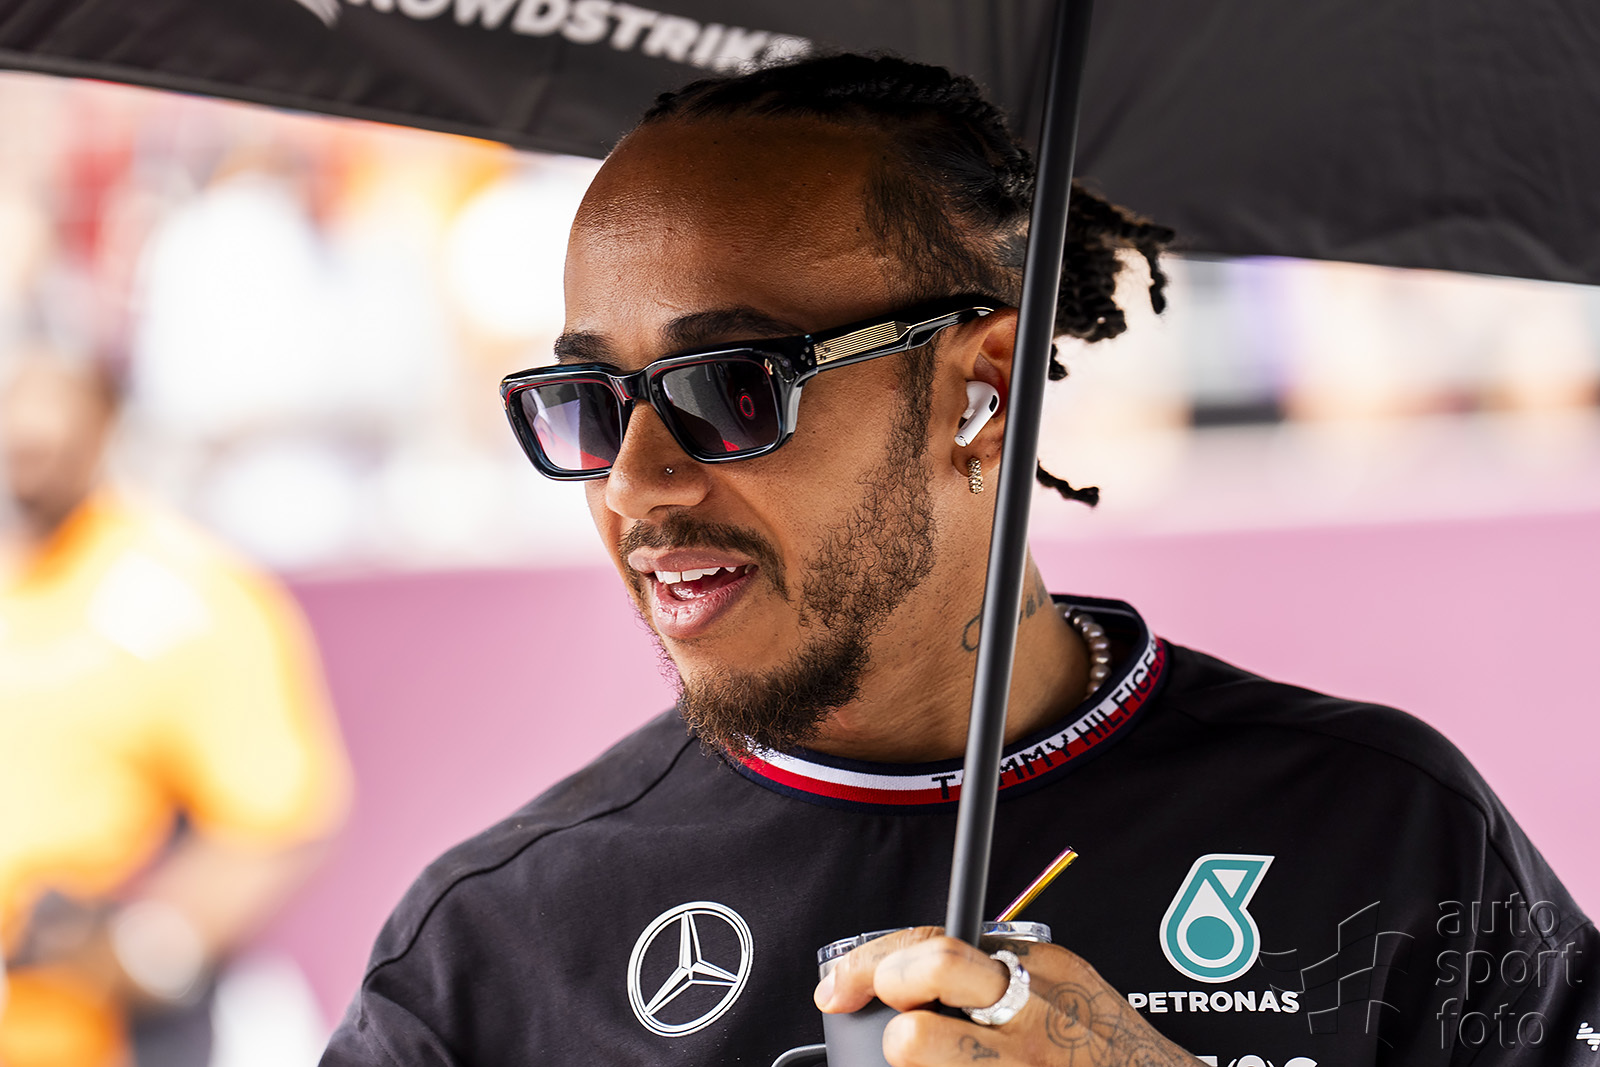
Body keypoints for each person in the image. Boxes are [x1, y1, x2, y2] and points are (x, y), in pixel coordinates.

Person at [323, 54, 1598, 1067]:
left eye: (729, 385)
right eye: (589, 403)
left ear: (983, 388)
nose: (633, 480)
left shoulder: (1385, 826)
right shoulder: (493, 946)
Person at [0, 352, 352, 1067]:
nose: (29, 430)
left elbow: (277, 821)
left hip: (84, 1033)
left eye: (53, 403)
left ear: (105, 420)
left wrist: (143, 945)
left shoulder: (180, 593)